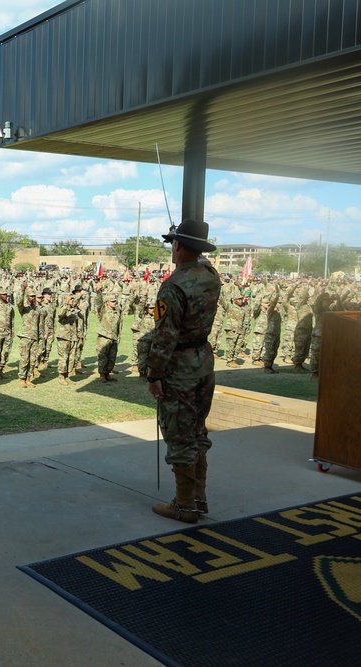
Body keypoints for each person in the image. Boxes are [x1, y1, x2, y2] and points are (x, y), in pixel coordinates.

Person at [146, 218, 221, 524]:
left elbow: (165, 337)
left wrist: (154, 375)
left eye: (173, 243)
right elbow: (198, 259)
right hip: (202, 360)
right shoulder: (211, 275)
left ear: (177, 246)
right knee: (197, 431)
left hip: (179, 368)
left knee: (179, 434)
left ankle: (184, 505)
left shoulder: (173, 286)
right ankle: (198, 498)